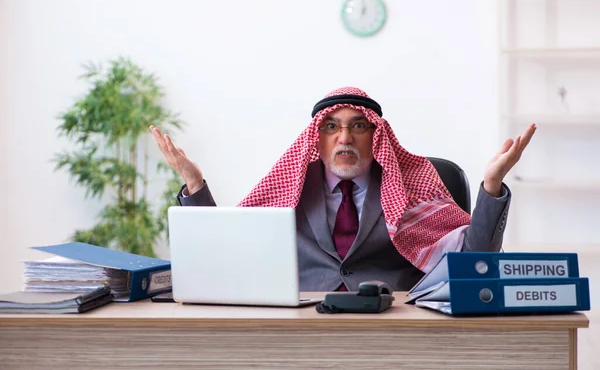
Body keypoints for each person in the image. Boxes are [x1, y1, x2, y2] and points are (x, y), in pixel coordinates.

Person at [150, 86, 536, 291]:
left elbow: (475, 259)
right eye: (331, 127)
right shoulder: (291, 187)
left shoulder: (409, 188)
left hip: (395, 324)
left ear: (376, 136)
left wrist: (491, 184)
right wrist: (195, 185)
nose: (344, 137)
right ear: (315, 139)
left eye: (358, 126)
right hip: (300, 325)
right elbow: (228, 251)